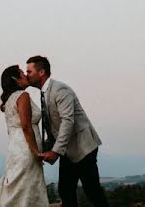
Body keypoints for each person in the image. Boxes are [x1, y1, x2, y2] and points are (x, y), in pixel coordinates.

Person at [26, 55, 108, 207]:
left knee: (92, 191)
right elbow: (53, 127)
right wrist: (43, 149)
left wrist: (56, 152)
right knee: (65, 191)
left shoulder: (60, 89)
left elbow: (67, 121)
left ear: (41, 72)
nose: (26, 75)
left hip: (83, 147)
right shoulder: (44, 93)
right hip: (67, 150)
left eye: (29, 72)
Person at [0, 65, 50, 206]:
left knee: (18, 185)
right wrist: (36, 152)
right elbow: (26, 126)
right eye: (23, 73)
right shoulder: (23, 96)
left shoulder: (10, 100)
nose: (26, 75)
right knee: (25, 185)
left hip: (15, 148)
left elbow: (11, 129)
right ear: (16, 80)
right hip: (26, 149)